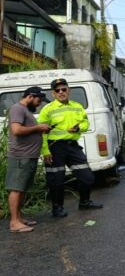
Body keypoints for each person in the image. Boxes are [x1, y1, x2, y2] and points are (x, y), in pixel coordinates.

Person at [38, 78, 103, 217]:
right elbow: (41, 132)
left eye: (64, 89)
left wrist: (79, 128)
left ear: (69, 90)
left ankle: (84, 202)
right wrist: (45, 150)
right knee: (56, 180)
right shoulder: (47, 109)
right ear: (53, 93)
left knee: (87, 177)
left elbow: (85, 123)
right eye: (57, 90)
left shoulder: (77, 106)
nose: (61, 92)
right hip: (54, 148)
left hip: (73, 147)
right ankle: (57, 208)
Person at [5, 87, 51, 233]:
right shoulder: (17, 108)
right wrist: (38, 128)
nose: (39, 103)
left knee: (23, 189)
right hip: (20, 157)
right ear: (31, 96)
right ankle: (14, 222)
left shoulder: (25, 110)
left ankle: (19, 218)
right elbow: (16, 130)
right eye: (39, 100)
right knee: (17, 189)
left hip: (29, 156)